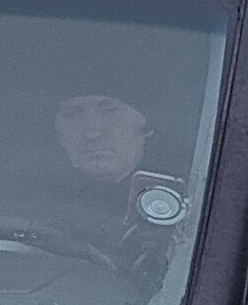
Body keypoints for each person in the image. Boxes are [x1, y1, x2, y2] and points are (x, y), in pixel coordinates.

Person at [42, 90, 193, 270]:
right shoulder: (32, 197)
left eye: (109, 111)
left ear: (147, 125)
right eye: (71, 114)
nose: (91, 133)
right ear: (58, 136)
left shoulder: (199, 189)